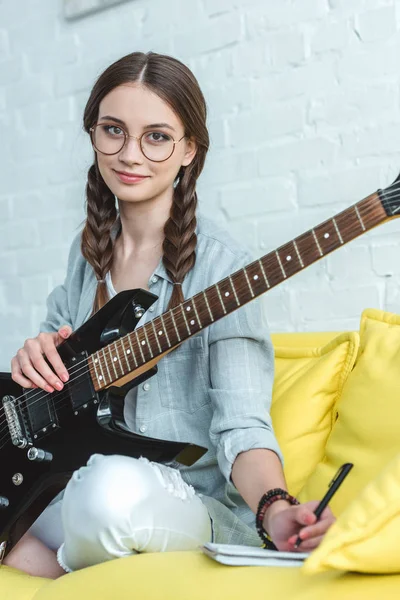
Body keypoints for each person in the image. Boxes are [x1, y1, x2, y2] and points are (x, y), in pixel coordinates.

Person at [5, 52, 334, 579]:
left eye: (155, 136)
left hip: (175, 503)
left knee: (109, 490)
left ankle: (47, 566)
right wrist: (33, 358)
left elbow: (243, 426)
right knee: (90, 486)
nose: (129, 154)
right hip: (75, 482)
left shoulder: (225, 267)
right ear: (93, 134)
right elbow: (47, 371)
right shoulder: (85, 255)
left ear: (188, 150)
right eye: (113, 130)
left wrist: (275, 508)